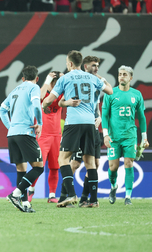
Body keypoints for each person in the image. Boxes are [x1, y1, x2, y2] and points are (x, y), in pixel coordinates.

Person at [42, 51, 113, 208]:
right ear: (81, 63)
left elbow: (50, 99)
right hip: (90, 124)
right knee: (90, 162)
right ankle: (93, 200)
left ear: (69, 63)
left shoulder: (65, 78)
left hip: (73, 123)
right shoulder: (92, 78)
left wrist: (44, 105)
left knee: (63, 159)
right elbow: (110, 91)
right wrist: (101, 79)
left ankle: (71, 194)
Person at [0, 66, 44, 213]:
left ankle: (25, 204)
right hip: (25, 132)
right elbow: (37, 105)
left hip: (12, 134)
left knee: (21, 169)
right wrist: (40, 124)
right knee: (38, 167)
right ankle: (16, 194)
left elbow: (1, 110)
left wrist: (10, 126)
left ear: (22, 78)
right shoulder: (34, 87)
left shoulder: (15, 90)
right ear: (37, 78)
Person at [102, 66, 149, 206]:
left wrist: (144, 137)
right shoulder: (110, 93)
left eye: (124, 74)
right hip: (114, 137)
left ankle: (128, 196)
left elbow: (141, 117)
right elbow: (104, 115)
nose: (121, 76)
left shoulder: (136, 94)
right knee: (113, 167)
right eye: (120, 74)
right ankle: (113, 186)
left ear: (131, 78)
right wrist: (105, 135)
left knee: (129, 163)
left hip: (130, 136)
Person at [66, 56, 104, 207]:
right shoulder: (80, 81)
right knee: (75, 163)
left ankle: (84, 198)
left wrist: (99, 117)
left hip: (93, 128)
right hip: (82, 126)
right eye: (93, 65)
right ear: (85, 66)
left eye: (97, 66)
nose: (96, 68)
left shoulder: (95, 82)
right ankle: (65, 195)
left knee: (95, 163)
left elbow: (96, 105)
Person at [25, 71, 63, 203]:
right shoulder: (43, 92)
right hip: (43, 135)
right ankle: (31, 190)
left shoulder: (60, 94)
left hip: (56, 135)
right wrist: (47, 80)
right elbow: (41, 96)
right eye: (55, 81)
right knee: (38, 165)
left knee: (54, 167)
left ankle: (52, 195)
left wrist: (66, 79)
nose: (57, 84)